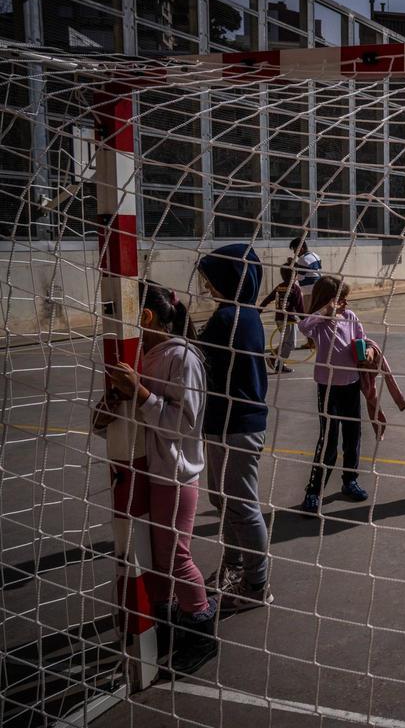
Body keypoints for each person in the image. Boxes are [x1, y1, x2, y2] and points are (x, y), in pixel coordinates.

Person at [96, 281, 216, 675]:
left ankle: (200, 630)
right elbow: (125, 418)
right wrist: (108, 412)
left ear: (144, 316)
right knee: (149, 554)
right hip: (142, 470)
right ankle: (164, 624)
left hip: (175, 477)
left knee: (175, 557)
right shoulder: (140, 355)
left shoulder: (181, 358)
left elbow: (185, 425)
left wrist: (141, 393)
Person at [196, 243, 273, 613]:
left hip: (236, 424)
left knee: (240, 504)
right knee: (225, 501)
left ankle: (256, 585)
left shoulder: (231, 318)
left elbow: (197, 356)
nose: (208, 285)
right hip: (227, 422)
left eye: (212, 278)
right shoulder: (242, 314)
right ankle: (235, 566)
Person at [298, 276, 370, 512]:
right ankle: (313, 491)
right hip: (328, 387)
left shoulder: (350, 317)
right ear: (330, 300)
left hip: (351, 384)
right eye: (341, 299)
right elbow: (303, 326)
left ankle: (350, 480)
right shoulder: (318, 323)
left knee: (352, 435)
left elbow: (362, 338)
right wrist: (324, 311)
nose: (346, 303)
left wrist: (368, 350)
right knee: (328, 439)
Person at [259, 259, 303, 374]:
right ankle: (275, 360)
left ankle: (278, 363)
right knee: (290, 344)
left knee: (285, 342)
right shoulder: (295, 289)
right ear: (295, 275)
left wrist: (259, 310)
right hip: (289, 320)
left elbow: (268, 298)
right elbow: (300, 308)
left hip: (279, 319)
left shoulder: (280, 286)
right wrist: (306, 320)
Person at [289, 236, 322, 311]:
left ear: (301, 249)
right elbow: (310, 270)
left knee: (308, 313)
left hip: (309, 291)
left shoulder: (302, 259)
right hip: (318, 287)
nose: (295, 254)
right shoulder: (315, 255)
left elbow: (300, 278)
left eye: (295, 251)